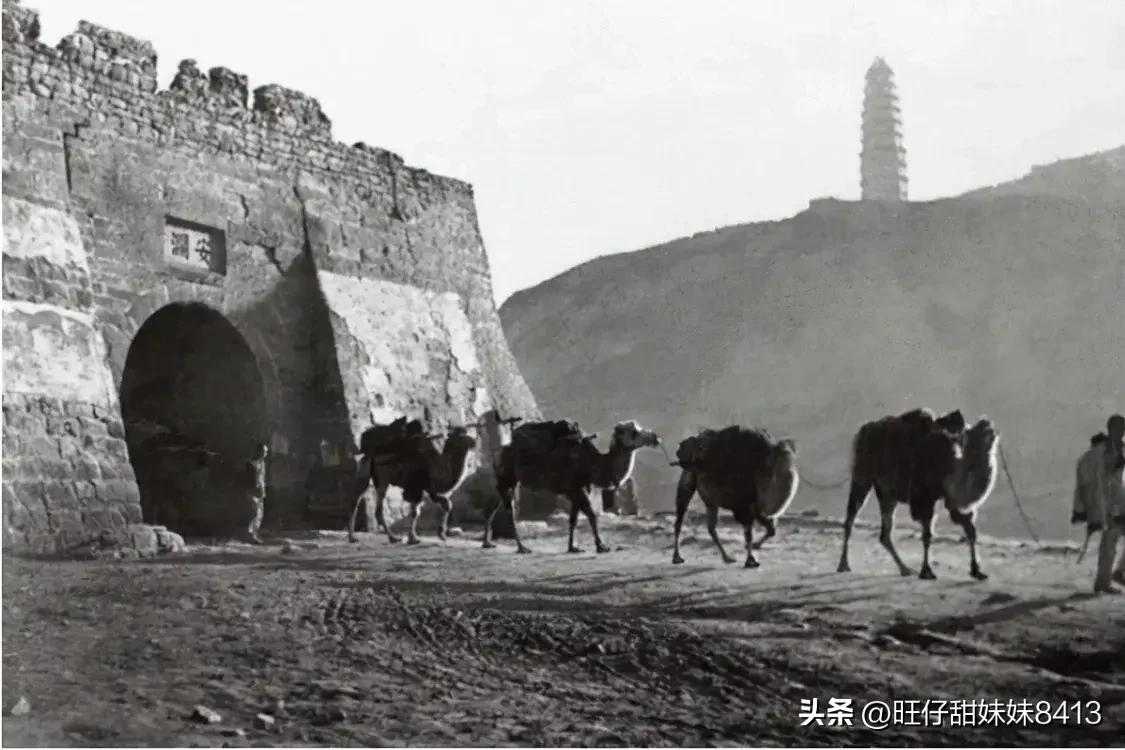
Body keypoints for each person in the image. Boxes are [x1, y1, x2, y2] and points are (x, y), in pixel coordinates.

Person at [1092, 414, 1125, 593]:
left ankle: (1116, 574)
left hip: (1118, 500)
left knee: (1110, 542)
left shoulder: (1118, 449)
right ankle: (1104, 582)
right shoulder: (1106, 451)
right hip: (1109, 503)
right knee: (1109, 543)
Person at [244, 442, 269, 544]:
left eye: (266, 451)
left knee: (259, 514)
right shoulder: (251, 463)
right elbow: (250, 479)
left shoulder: (263, 463)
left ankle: (254, 533)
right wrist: (253, 490)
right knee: (253, 513)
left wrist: (262, 490)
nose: (265, 453)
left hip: (260, 491)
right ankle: (250, 534)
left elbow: (262, 478)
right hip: (252, 491)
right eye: (263, 451)